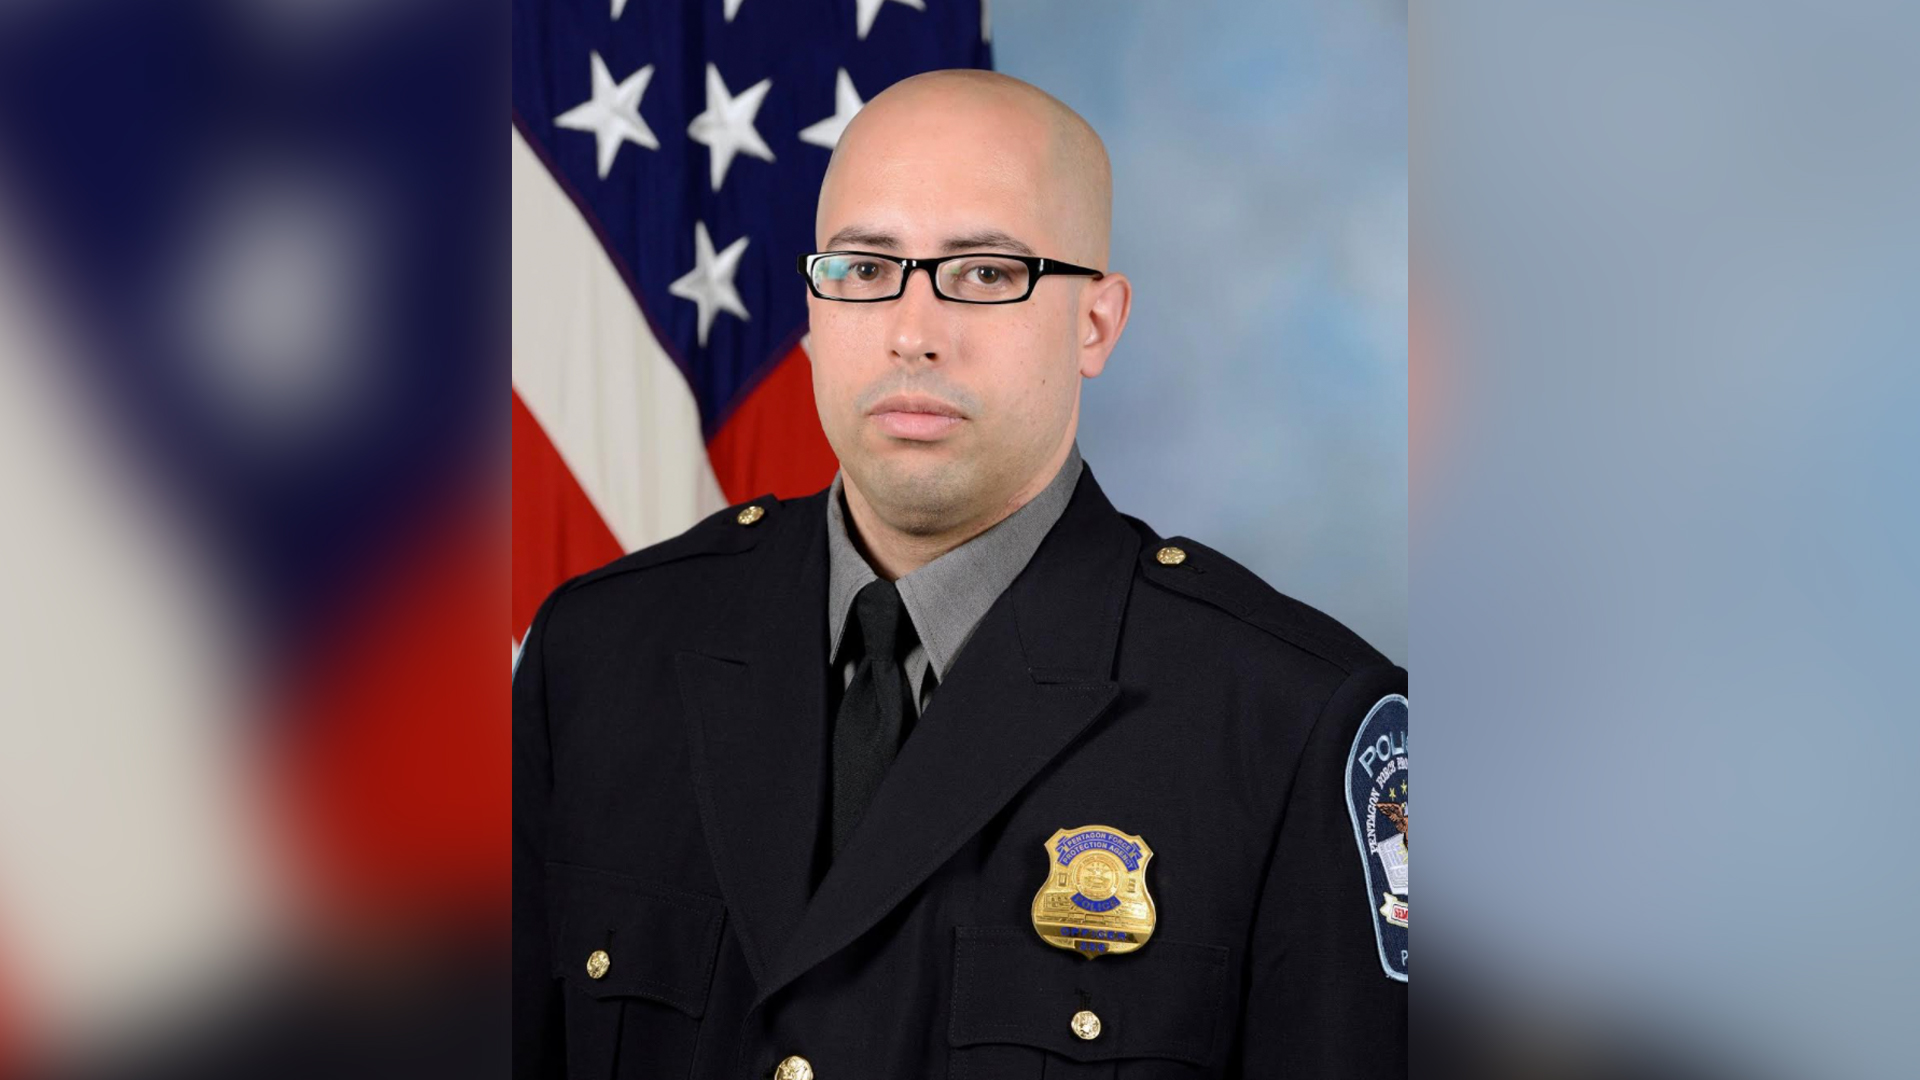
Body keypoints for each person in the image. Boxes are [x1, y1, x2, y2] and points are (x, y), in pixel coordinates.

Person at [513, 69, 1407, 1080]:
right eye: (864, 267)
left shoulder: (1291, 725)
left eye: (985, 272)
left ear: (1096, 324)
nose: (912, 332)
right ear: (813, 306)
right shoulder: (598, 658)